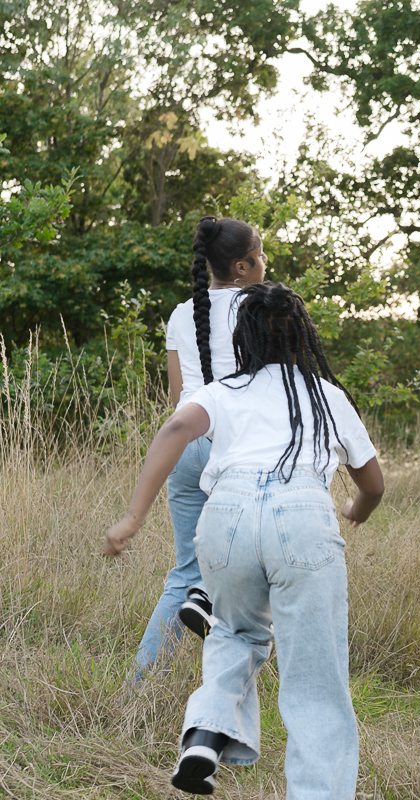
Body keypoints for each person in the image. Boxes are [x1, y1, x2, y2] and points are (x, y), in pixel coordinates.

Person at [103, 282, 385, 798]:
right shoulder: (326, 395)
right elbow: (373, 484)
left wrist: (132, 517)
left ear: (243, 341)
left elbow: (174, 430)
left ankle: (206, 733)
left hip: (225, 516)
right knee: (315, 678)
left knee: (234, 633)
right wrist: (354, 509)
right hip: (301, 515)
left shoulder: (223, 391)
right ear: (303, 338)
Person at [133, 215, 268, 682]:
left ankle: (142, 685)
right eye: (261, 253)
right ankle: (233, 679)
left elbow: (178, 402)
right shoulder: (262, 308)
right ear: (242, 266)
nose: (265, 261)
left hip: (187, 446)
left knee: (186, 572)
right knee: (262, 565)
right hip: (240, 451)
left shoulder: (179, 313)